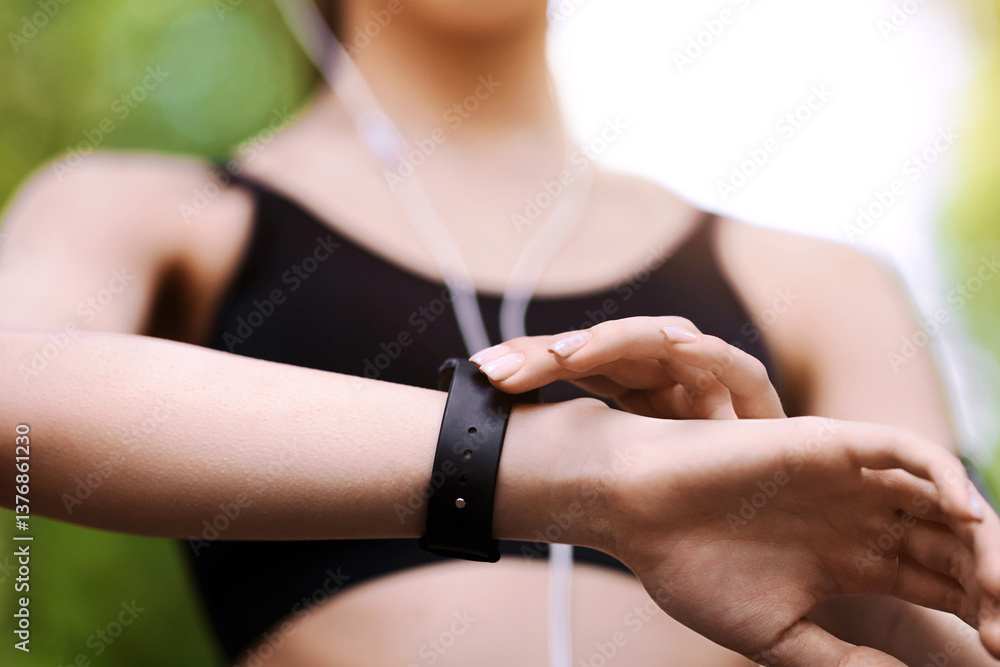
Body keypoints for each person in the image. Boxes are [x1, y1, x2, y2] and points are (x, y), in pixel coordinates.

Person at [1, 0, 999, 665]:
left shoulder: (823, 278)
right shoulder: (148, 207)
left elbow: (941, 618)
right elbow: (18, 392)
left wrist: (876, 593)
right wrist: (583, 469)